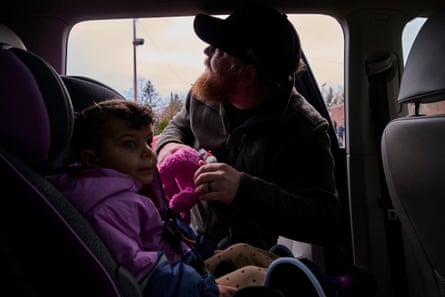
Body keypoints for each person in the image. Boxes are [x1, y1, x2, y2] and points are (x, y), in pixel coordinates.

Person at [45, 98, 336, 297]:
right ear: (92, 159)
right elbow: (142, 274)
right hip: (178, 286)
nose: (148, 152)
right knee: (251, 276)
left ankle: (318, 280)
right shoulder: (109, 206)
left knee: (242, 250)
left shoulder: (123, 190)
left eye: (148, 142)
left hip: (183, 268)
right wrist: (205, 289)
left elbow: (166, 236)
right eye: (129, 145)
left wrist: (205, 250)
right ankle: (319, 286)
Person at [156, 1, 341, 251]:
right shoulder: (203, 94)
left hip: (249, 256)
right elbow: (177, 127)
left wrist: (243, 190)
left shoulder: (305, 129)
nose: (207, 51)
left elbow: (325, 220)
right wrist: (170, 147)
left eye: (219, 50)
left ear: (246, 74)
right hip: (190, 237)